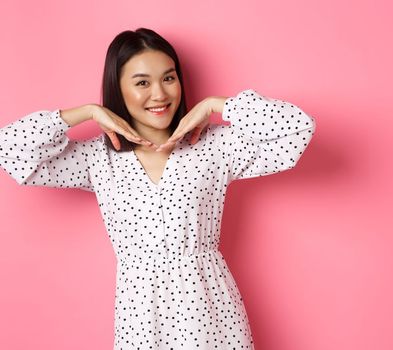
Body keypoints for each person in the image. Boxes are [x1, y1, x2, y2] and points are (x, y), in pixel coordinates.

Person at [0, 27, 316, 349]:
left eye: (168, 78)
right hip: (139, 319)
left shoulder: (216, 146)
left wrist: (214, 105)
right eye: (141, 83)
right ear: (118, 90)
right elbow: (10, 150)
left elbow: (297, 129)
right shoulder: (97, 158)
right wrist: (89, 112)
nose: (160, 94)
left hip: (211, 312)